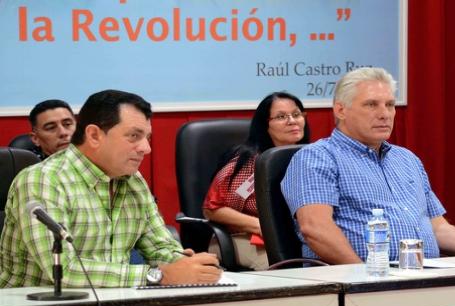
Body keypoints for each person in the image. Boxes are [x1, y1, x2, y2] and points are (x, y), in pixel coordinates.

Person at [281, 67, 455, 264]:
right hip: (358, 284)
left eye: (389, 105)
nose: (384, 114)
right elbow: (315, 228)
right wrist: (364, 276)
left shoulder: (406, 159)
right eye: (371, 105)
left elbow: (436, 226)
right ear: (341, 110)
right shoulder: (317, 157)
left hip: (422, 276)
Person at [0, 89, 221, 288]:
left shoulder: (132, 179)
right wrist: (159, 275)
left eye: (147, 137)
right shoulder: (43, 180)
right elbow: (63, 270)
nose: (146, 148)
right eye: (134, 136)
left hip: (113, 305)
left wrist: (185, 263)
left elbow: (158, 245)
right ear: (94, 135)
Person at [202, 92, 310, 270]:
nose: (292, 121)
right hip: (245, 238)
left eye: (297, 114)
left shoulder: (312, 157)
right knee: (286, 273)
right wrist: (264, 227)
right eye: (282, 116)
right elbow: (214, 209)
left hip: (294, 238)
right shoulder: (251, 162)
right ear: (265, 125)